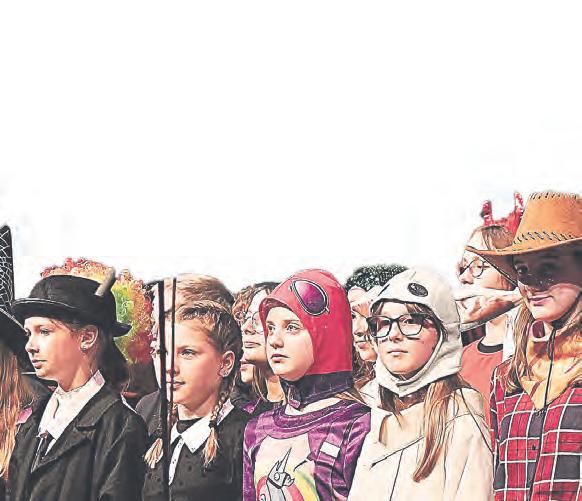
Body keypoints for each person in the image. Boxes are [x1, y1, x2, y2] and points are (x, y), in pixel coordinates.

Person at [467, 190, 582, 501]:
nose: (531, 283)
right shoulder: (507, 376)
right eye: (522, 270)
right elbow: (500, 479)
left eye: (548, 266)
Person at [350, 267, 493, 501]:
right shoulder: (372, 415)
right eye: (383, 323)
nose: (393, 334)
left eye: (410, 321)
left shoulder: (462, 422)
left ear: (443, 332)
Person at [7, 272, 148, 501]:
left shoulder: (120, 427)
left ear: (87, 337)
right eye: (28, 334)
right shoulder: (34, 423)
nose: (30, 346)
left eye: (44, 331)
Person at [243, 269, 370, 501]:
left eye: (292, 327)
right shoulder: (258, 428)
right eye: (270, 328)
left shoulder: (358, 425)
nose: (274, 340)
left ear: (326, 333)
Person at [142, 300, 250, 500]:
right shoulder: (155, 434)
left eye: (187, 353)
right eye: (161, 352)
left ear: (225, 363)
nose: (169, 367)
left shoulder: (244, 436)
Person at [136, 274, 235, 436]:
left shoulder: (242, 423)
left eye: (168, 316)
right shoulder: (147, 407)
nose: (155, 330)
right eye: (154, 319)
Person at [457, 222, 521, 423]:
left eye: (479, 266)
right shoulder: (459, 360)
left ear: (510, 273)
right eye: (463, 267)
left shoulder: (534, 353)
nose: (464, 278)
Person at [345, 264, 407, 406]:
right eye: (352, 316)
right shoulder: (361, 394)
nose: (357, 329)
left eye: (369, 314)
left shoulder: (419, 390)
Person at [232, 282, 284, 416]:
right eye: (245, 318)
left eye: (260, 318)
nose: (246, 327)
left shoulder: (315, 412)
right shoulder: (244, 416)